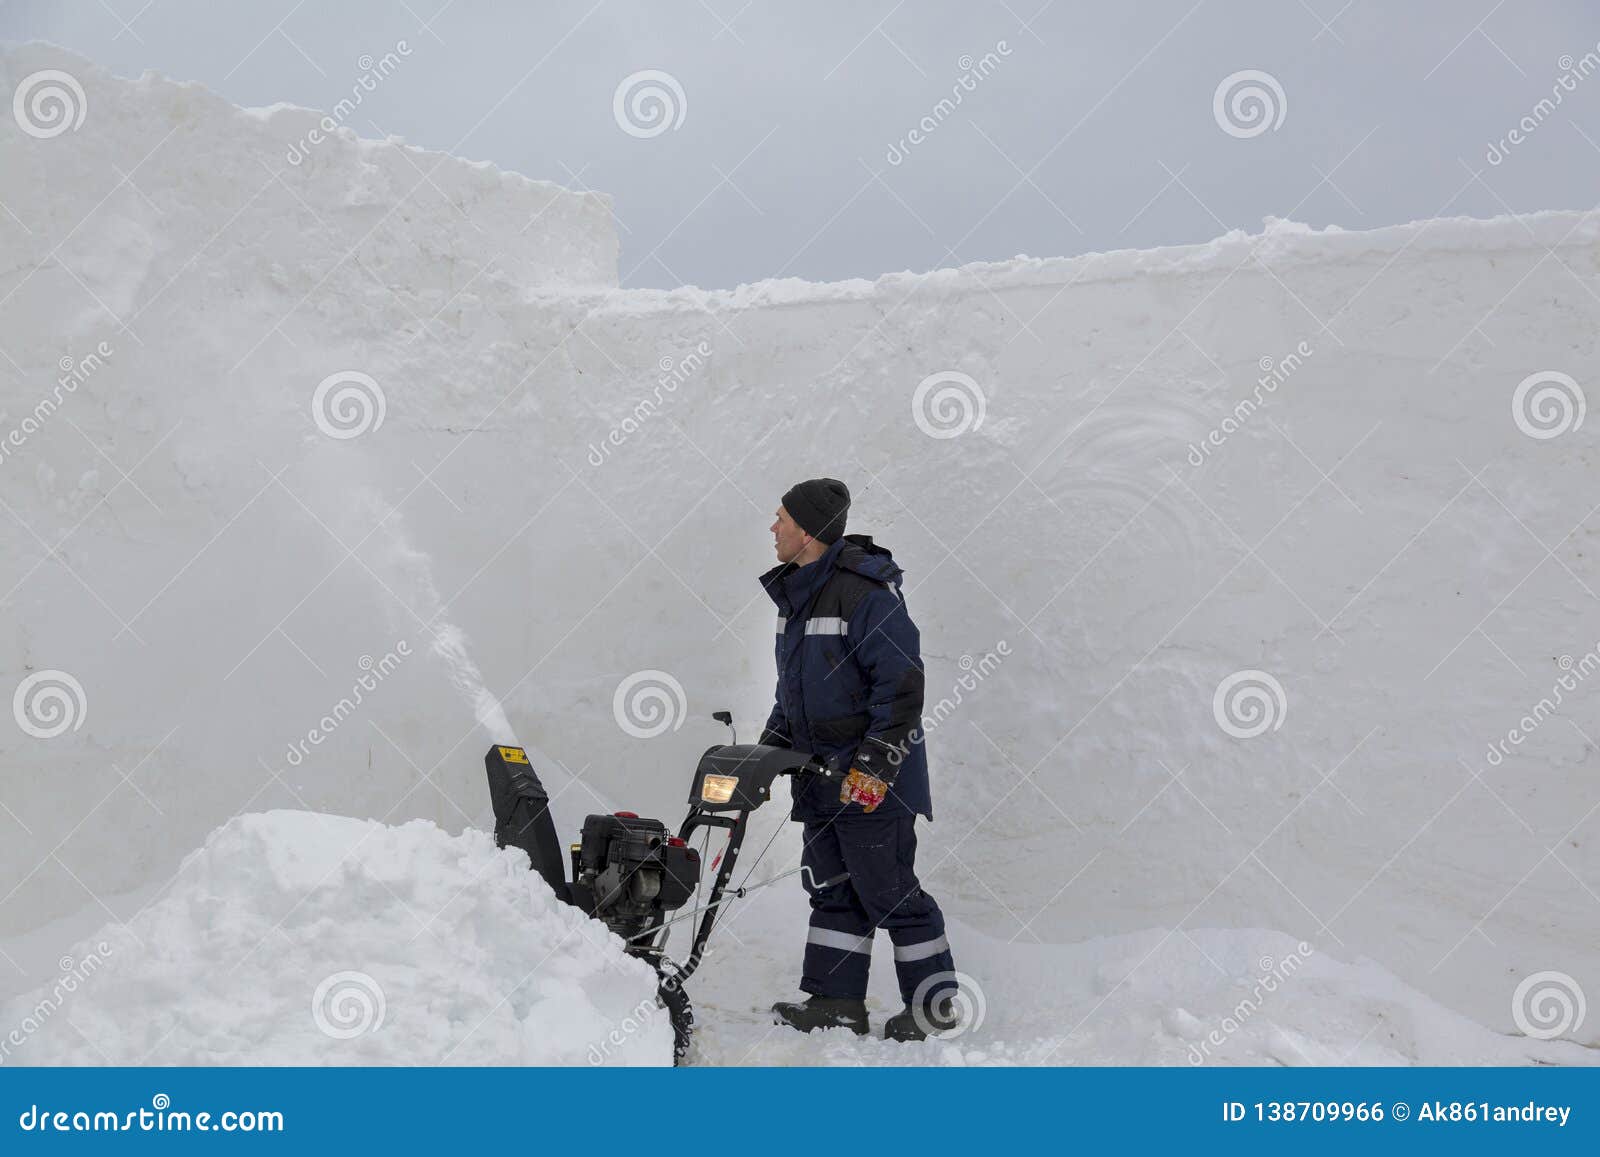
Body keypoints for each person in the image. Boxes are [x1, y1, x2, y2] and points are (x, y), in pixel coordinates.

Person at [758, 477, 958, 1041]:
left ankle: (932, 1006)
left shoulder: (866, 593)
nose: (772, 528)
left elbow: (900, 687)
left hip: (872, 779)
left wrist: (873, 766)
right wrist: (767, 754)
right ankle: (835, 1003)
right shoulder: (798, 595)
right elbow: (792, 693)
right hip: (821, 778)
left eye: (781, 518)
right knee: (832, 887)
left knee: (889, 890)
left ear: (808, 530)